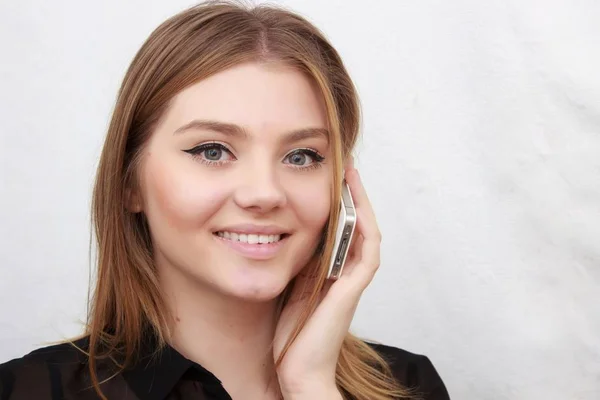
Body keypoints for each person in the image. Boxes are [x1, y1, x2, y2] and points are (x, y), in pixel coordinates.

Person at [0, 1, 450, 399]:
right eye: (211, 151)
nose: (264, 194)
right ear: (128, 182)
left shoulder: (410, 385)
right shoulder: (25, 390)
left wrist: (311, 385)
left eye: (301, 156)